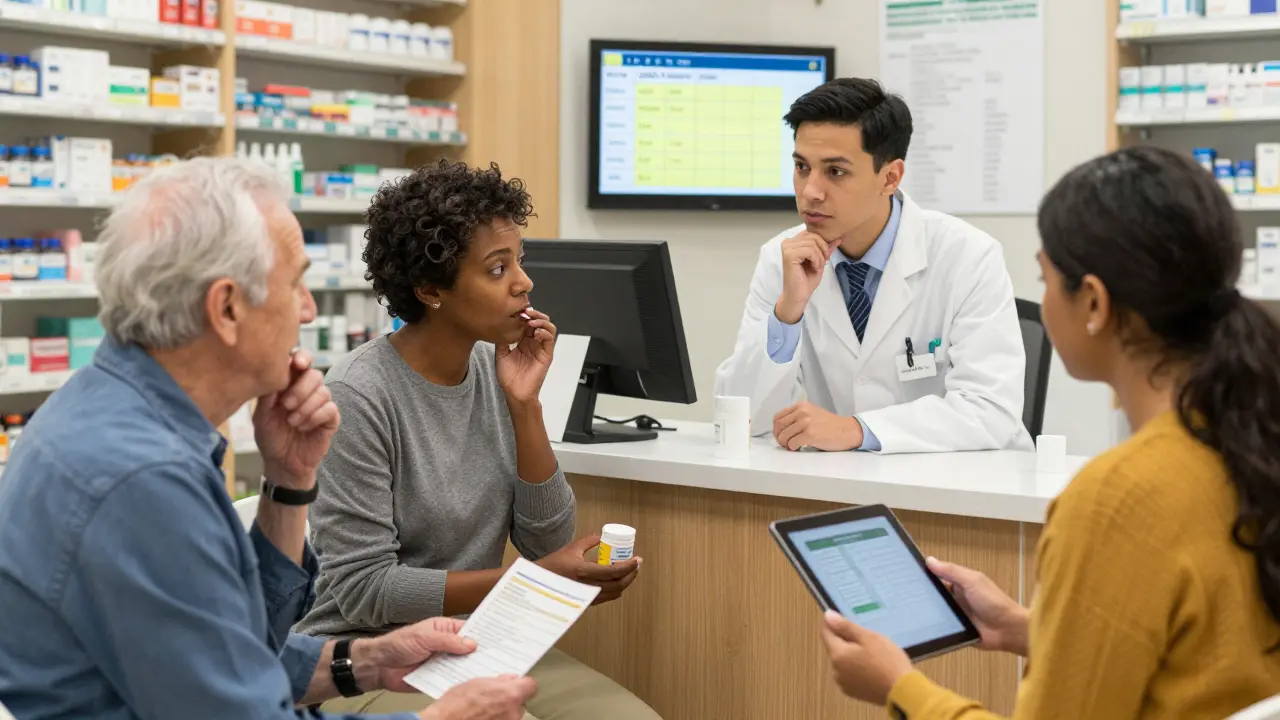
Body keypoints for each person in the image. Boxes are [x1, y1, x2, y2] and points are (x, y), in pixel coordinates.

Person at [0, 158, 535, 720]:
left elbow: (229, 648)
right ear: (227, 308)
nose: (307, 308)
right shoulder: (140, 479)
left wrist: (365, 660)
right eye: (294, 283)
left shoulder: (120, 412)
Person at [819, 146, 1280, 718]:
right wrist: (1024, 626)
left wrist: (898, 686)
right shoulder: (1253, 445)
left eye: (1044, 279)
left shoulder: (1117, 502)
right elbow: (1203, 662)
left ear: (1093, 302)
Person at [297, 160, 659, 720]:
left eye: (520, 261)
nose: (524, 282)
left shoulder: (496, 372)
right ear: (430, 289)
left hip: (478, 643)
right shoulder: (359, 394)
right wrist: (534, 581)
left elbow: (547, 540)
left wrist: (525, 405)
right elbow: (366, 590)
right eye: (497, 269)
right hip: (367, 658)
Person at [715, 78, 1031, 454]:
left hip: (963, 490)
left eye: (835, 172)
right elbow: (740, 417)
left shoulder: (968, 256)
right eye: (802, 167)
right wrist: (788, 314)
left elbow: (990, 411)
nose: (810, 191)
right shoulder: (781, 258)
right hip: (841, 483)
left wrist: (858, 430)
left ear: (890, 177)